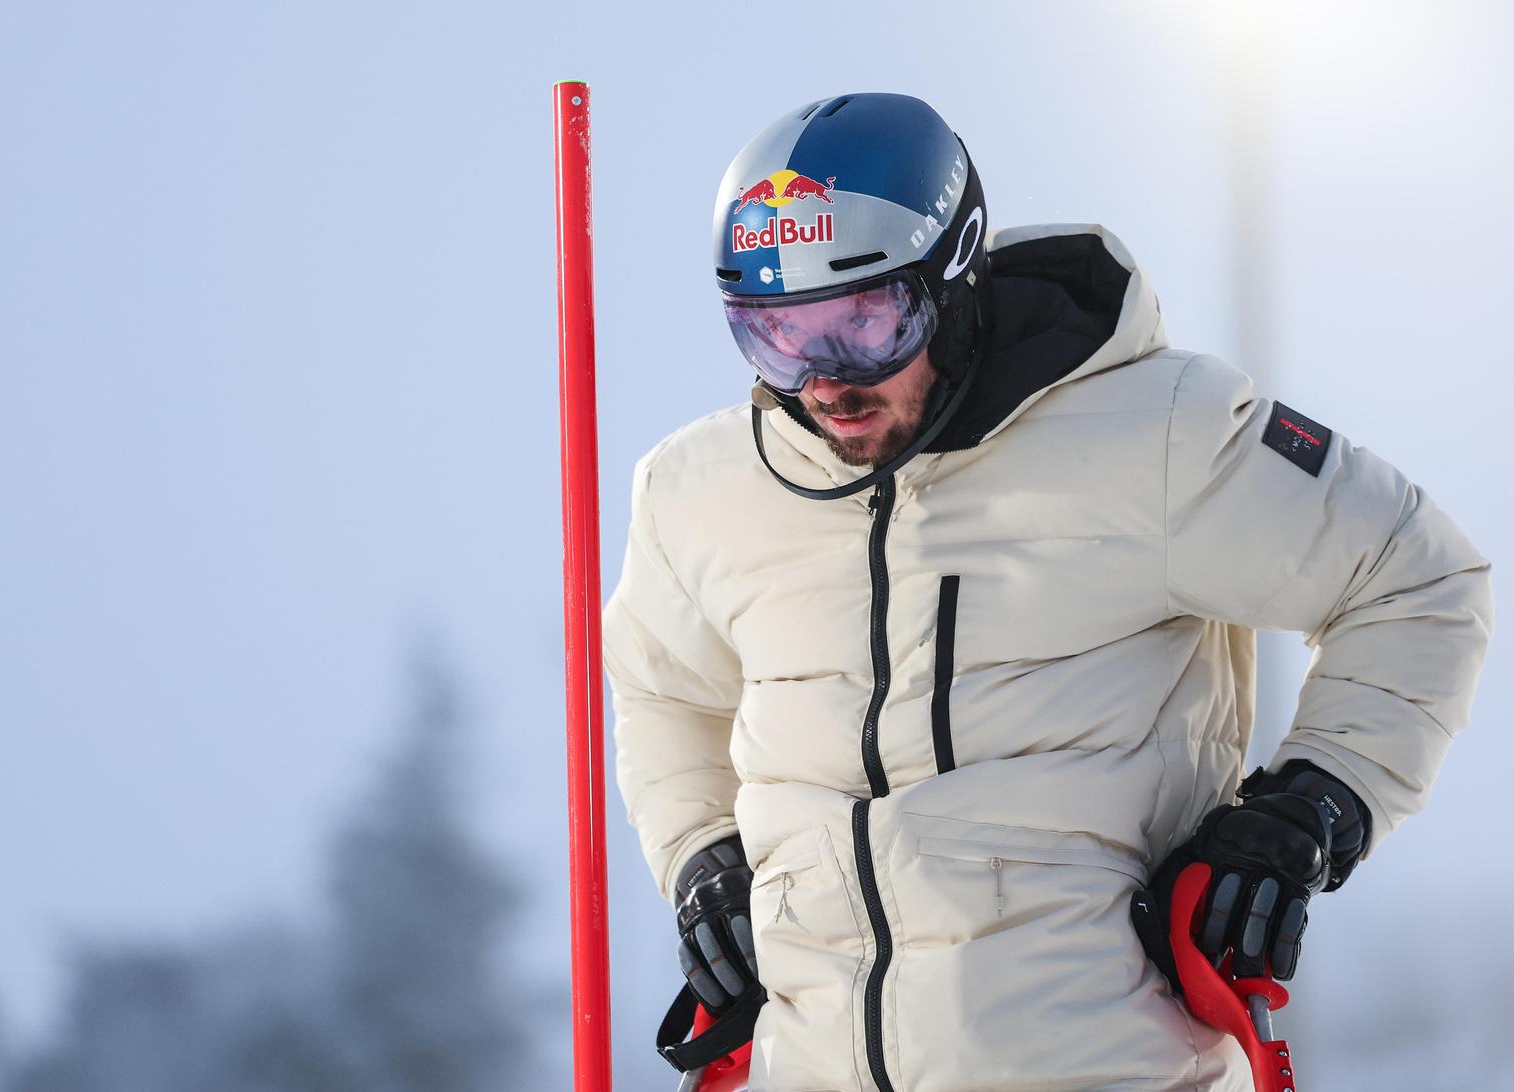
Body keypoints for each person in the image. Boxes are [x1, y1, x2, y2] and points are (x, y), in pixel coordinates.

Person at [604, 92, 1493, 1091]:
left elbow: (1419, 577)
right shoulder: (703, 492)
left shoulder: (1152, 435)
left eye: (864, 322)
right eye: (777, 336)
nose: (826, 384)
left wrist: (1313, 808)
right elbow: (662, 691)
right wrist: (700, 855)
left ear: (953, 272)